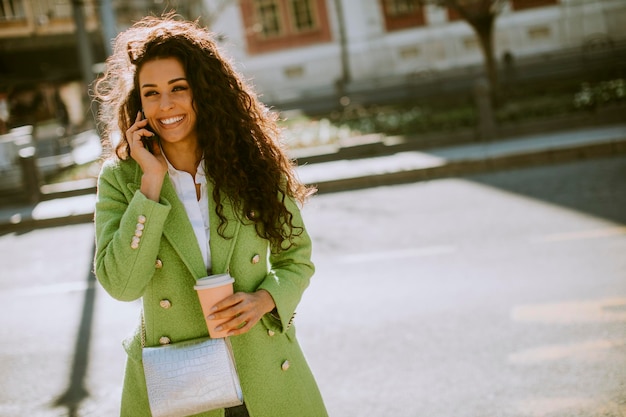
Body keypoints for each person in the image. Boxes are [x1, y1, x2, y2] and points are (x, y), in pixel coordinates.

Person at [92, 14, 328, 417]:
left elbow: (297, 259)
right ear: (138, 103)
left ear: (204, 91)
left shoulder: (250, 163)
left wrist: (264, 299)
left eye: (178, 88)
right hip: (181, 388)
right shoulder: (122, 179)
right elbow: (122, 284)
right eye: (151, 93)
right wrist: (150, 183)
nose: (165, 105)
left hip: (265, 375)